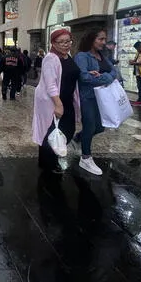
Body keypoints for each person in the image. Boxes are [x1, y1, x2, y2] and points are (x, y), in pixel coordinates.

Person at [33, 29, 81, 174]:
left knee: (67, 130)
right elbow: (50, 83)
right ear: (53, 43)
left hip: (67, 99)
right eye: (61, 42)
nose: (66, 45)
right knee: (51, 131)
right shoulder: (51, 58)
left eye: (68, 41)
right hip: (52, 101)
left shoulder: (68, 56)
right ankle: (48, 163)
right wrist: (58, 104)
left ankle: (51, 157)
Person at [74, 29, 117, 176]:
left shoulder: (102, 56)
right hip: (88, 97)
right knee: (90, 126)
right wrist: (107, 77)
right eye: (101, 39)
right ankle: (85, 158)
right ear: (92, 39)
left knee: (100, 128)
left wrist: (104, 77)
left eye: (104, 39)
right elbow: (84, 77)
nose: (104, 42)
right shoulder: (82, 56)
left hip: (103, 98)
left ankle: (78, 138)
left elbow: (114, 72)